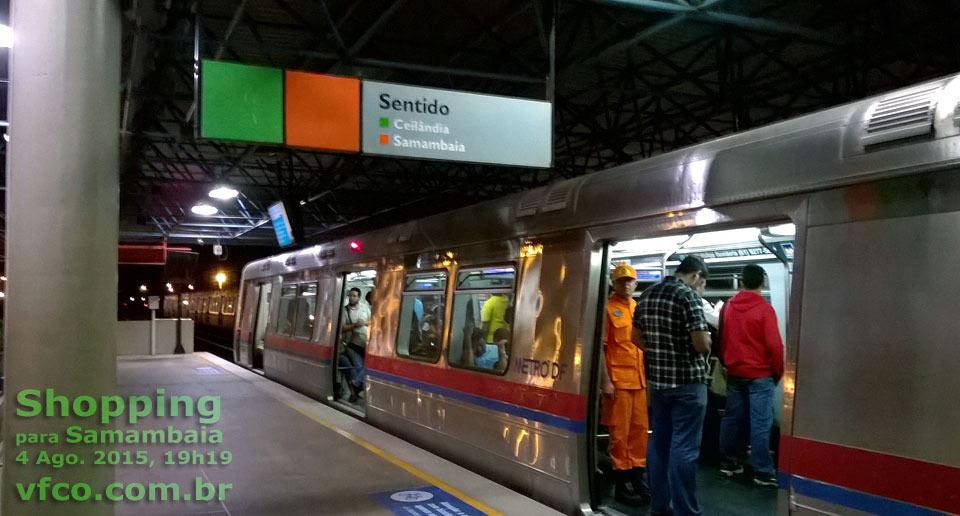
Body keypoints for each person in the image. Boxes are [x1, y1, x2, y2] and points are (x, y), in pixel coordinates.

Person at [633, 255, 712, 516]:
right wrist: (707, 342)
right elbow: (701, 344)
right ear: (697, 275)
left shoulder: (647, 295)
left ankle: (659, 507)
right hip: (688, 383)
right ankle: (686, 512)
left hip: (659, 384)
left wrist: (657, 351)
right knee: (684, 448)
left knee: (659, 445)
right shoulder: (688, 296)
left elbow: (634, 337)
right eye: (702, 282)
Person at [717, 264, 784, 488]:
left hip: (735, 372)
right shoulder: (765, 310)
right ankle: (763, 471)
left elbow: (722, 339)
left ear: (742, 282)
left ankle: (728, 462)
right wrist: (777, 372)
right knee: (760, 423)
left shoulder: (728, 307)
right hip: (760, 374)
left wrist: (727, 364)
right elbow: (775, 346)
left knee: (731, 419)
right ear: (762, 282)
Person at [600, 263, 650, 506]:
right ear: (614, 283)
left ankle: (638, 478)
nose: (626, 284)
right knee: (619, 435)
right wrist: (605, 382)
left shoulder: (636, 308)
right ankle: (622, 484)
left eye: (630, 280)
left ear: (636, 284)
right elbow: (601, 349)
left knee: (639, 432)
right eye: (621, 281)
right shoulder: (608, 310)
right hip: (618, 383)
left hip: (638, 382)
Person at [340, 287, 371, 403]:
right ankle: (354, 390)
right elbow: (342, 327)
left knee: (365, 367)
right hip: (352, 343)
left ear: (359, 297)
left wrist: (365, 323)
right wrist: (355, 325)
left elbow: (372, 321)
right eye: (351, 295)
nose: (352, 298)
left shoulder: (364, 308)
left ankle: (355, 388)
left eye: (354, 296)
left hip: (365, 342)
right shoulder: (345, 310)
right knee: (360, 367)